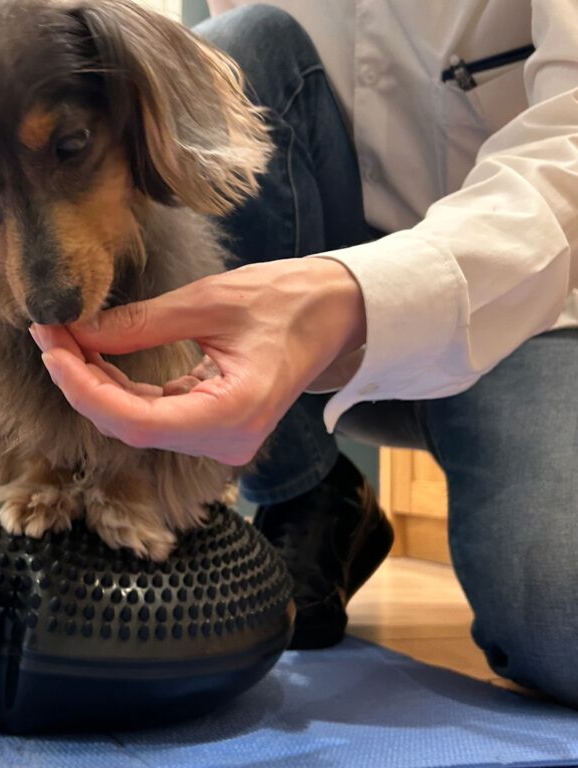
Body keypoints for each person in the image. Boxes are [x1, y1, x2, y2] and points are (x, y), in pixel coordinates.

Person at [29, 0, 578, 707]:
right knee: (237, 48)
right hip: (324, 337)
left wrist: (352, 293)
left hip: (535, 305)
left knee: (563, 621)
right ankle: (306, 495)